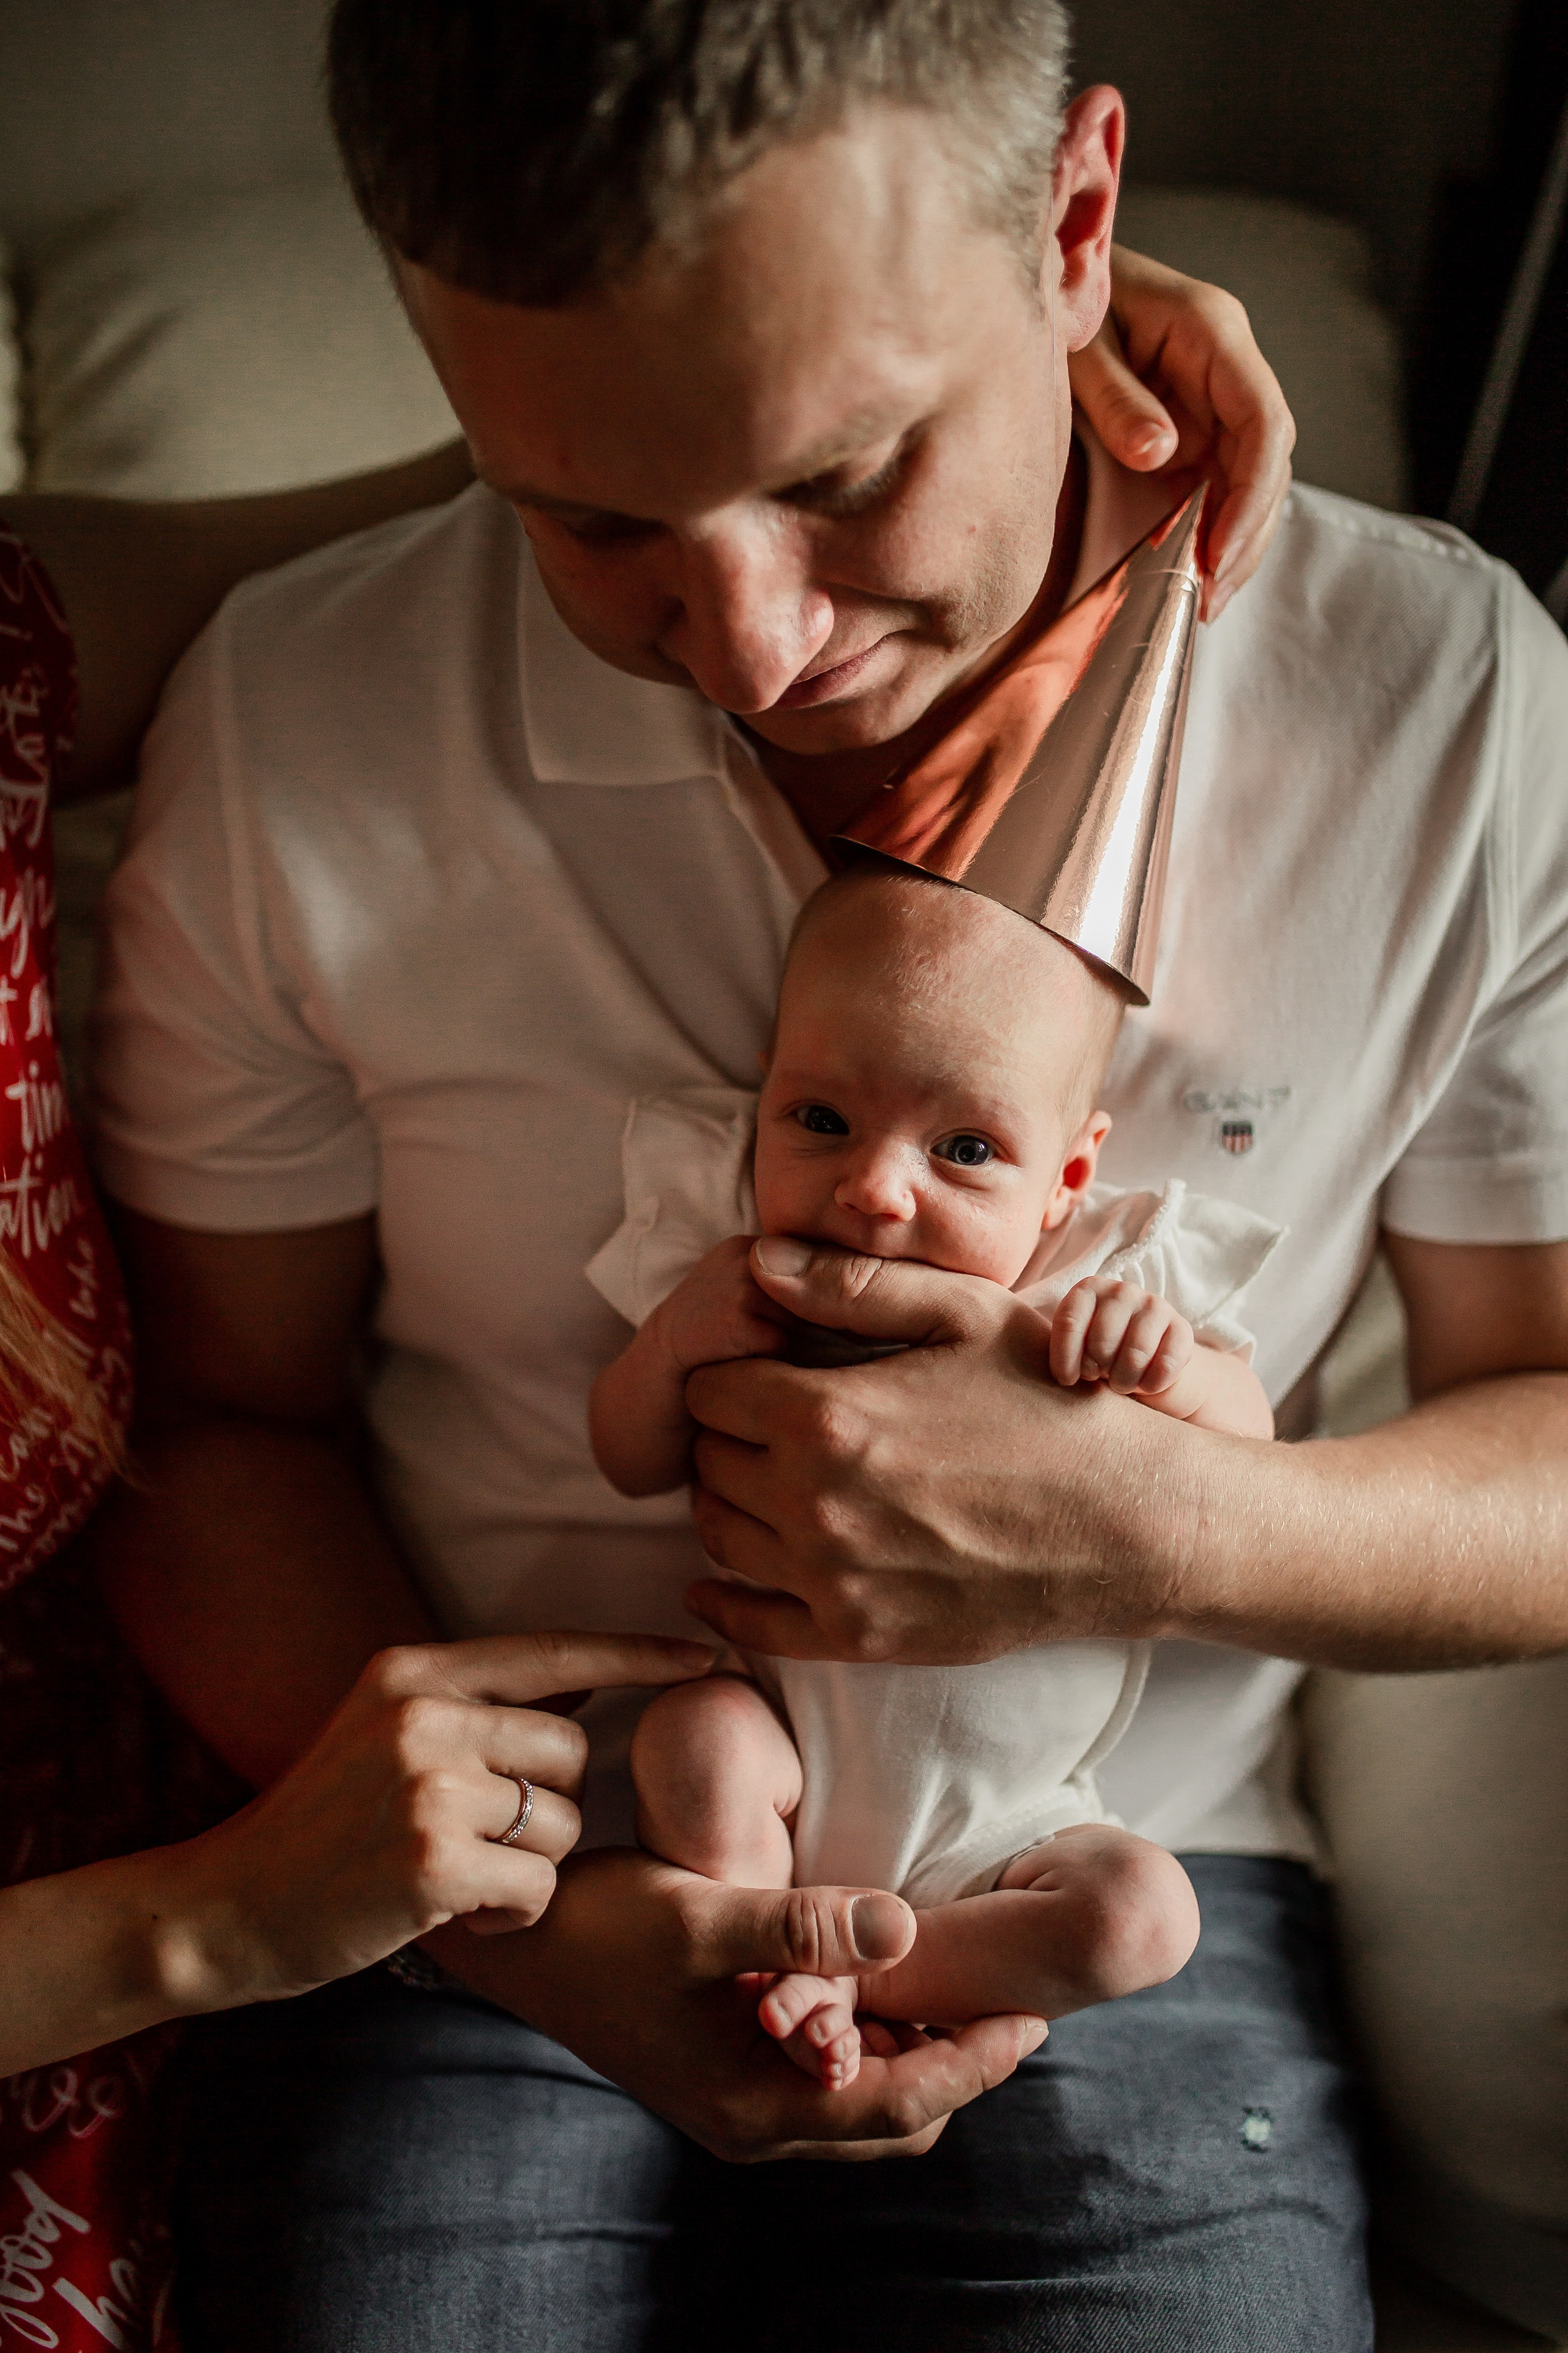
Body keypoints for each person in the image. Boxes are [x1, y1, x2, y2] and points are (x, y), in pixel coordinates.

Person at [89, 1, 1537, 2344]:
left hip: (1123, 1867)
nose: (750, 643)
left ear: (1081, 227)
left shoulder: (1450, 699)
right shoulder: (304, 718)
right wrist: (530, 1930)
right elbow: (208, 1441)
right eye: (591, 514)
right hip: (504, 1870)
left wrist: (1158, 1526)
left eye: (850, 472)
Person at [0, 466, 714, 2351]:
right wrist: (213, 1921)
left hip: (219, 1854)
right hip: (152, 1942)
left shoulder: (17, 642)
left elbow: (520, 470)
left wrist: (958, 345)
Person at [595, 862, 1283, 2088]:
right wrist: (671, 1343)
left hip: (1010, 1830)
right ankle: (754, 1941)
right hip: (781, 1767)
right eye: (817, 1122)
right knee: (691, 1741)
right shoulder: (734, 1274)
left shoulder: (1100, 1292)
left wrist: (1171, 1375)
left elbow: (1250, 1478)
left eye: (964, 1148)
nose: (872, 1190)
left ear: (1067, 1179)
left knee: (1139, 1915)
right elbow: (625, 1456)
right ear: (761, 1100)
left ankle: (866, 1976)